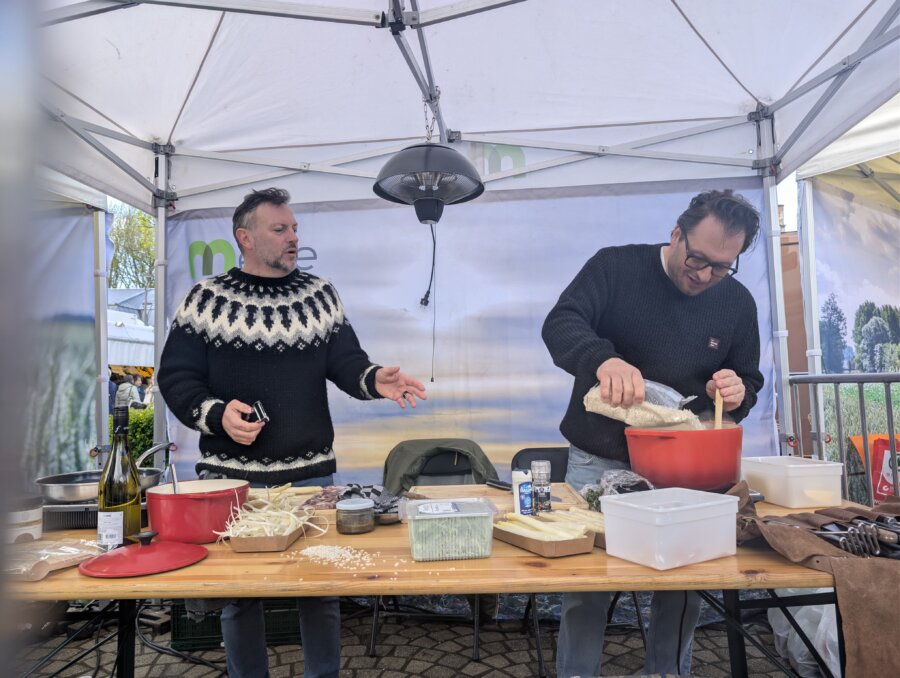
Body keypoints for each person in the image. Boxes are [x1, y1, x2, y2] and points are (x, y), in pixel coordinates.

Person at [157, 187, 426, 678]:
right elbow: (175, 378)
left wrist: (375, 380)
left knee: (320, 590)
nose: (293, 238)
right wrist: (217, 416)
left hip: (310, 480)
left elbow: (346, 363)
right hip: (231, 481)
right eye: (280, 229)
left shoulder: (319, 294)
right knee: (241, 596)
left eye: (295, 228)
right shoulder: (206, 299)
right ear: (245, 237)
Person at [542, 189, 764, 677]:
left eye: (722, 266)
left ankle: (668, 672)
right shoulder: (614, 268)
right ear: (676, 234)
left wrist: (735, 388)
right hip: (598, 456)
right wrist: (603, 359)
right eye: (697, 257)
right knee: (588, 582)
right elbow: (560, 324)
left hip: (685, 467)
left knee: (683, 580)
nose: (704, 275)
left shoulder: (736, 302)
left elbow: (747, 381)